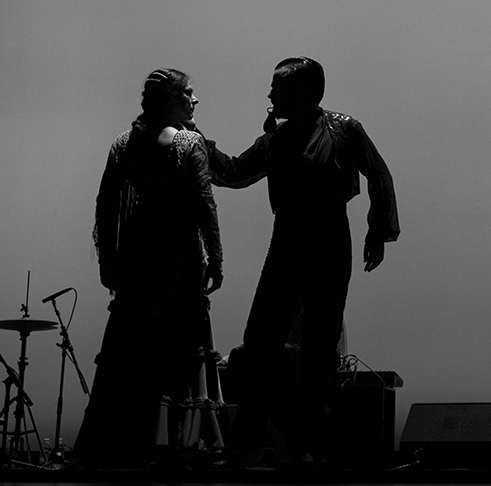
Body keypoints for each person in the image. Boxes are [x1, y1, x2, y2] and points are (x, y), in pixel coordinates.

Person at [201, 56, 398, 464]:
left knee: (319, 350)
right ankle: (252, 441)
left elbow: (379, 174)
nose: (270, 94)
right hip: (287, 243)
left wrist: (378, 230)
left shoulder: (345, 128)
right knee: (259, 343)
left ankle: (305, 444)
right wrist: (200, 143)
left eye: (278, 87)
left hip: (329, 243)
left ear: (304, 90)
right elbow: (234, 172)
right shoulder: (276, 140)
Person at [78, 69, 225, 466]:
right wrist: (216, 257)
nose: (194, 100)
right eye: (188, 93)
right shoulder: (189, 143)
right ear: (172, 102)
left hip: (137, 259)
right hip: (179, 257)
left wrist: (109, 261)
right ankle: (173, 446)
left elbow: (106, 207)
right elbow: (204, 204)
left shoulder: (124, 145)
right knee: (176, 350)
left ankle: (120, 446)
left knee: (130, 353)